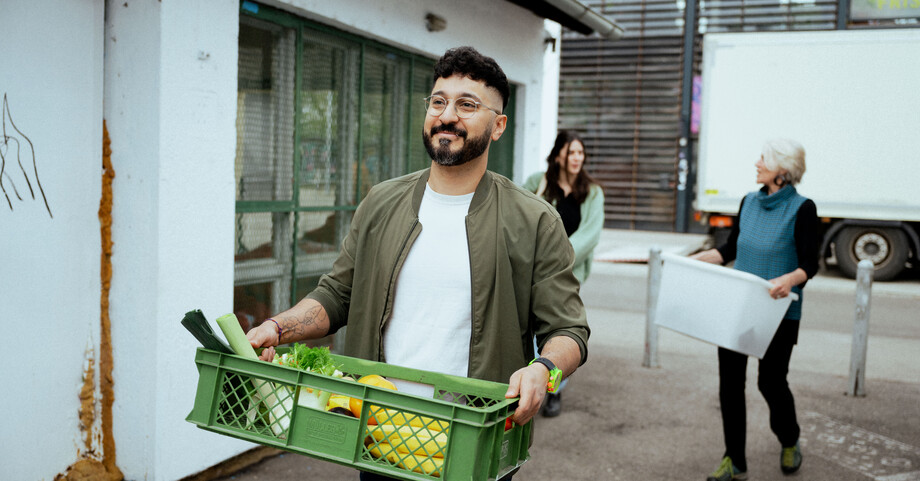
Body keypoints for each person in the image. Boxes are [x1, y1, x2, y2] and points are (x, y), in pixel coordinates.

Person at [245, 46, 590, 480]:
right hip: (376, 436)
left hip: (472, 444)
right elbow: (336, 295)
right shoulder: (381, 202)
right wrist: (277, 328)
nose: (447, 116)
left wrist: (544, 369)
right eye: (438, 101)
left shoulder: (534, 219)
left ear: (499, 126)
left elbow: (568, 330)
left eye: (467, 105)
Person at [690, 138, 818, 481]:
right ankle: (734, 461)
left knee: (770, 383)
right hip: (739, 308)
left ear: (783, 171)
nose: (757, 163)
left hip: (779, 313)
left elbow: (810, 264)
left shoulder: (803, 209)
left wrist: (789, 280)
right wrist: (691, 261)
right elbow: (729, 249)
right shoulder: (748, 202)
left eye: (765, 159)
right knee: (730, 384)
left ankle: (789, 438)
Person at [522, 130, 604, 417]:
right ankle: (531, 381)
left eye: (580, 153)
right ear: (558, 156)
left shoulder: (592, 192)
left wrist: (556, 258)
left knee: (561, 333)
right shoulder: (538, 182)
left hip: (569, 274)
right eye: (571, 152)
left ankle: (555, 389)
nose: (577, 158)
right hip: (532, 271)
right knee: (532, 331)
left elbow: (590, 235)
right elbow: (520, 216)